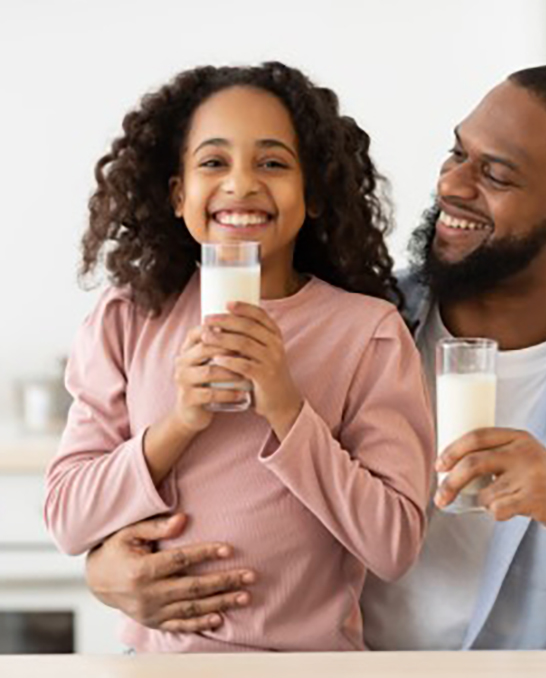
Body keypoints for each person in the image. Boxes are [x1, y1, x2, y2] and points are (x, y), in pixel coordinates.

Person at [81, 64, 546, 649]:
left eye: (497, 174)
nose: (453, 184)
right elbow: (193, 498)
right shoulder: (355, 327)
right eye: (457, 153)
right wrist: (105, 569)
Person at [43, 62, 434, 652]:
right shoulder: (128, 317)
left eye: (273, 162)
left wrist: (286, 407)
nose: (242, 183)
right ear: (179, 194)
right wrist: (180, 422)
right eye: (213, 162)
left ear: (315, 194)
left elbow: (394, 545)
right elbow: (69, 519)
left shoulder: (367, 333)